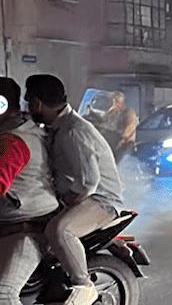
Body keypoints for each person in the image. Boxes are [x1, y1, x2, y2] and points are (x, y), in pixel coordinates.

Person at [24, 74, 124, 305]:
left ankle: (83, 285)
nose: (27, 108)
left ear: (38, 103)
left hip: (101, 199)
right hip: (80, 193)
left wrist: (67, 202)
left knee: (59, 230)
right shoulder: (56, 126)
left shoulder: (72, 131)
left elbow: (88, 182)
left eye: (28, 102)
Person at [0, 77, 60, 305]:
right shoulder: (13, 128)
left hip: (26, 227)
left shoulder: (13, 140)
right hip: (10, 220)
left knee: (3, 294)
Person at [84, 91, 138, 163]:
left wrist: (105, 129)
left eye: (115, 102)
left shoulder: (128, 113)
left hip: (123, 146)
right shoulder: (111, 112)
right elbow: (102, 121)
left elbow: (125, 133)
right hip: (110, 144)